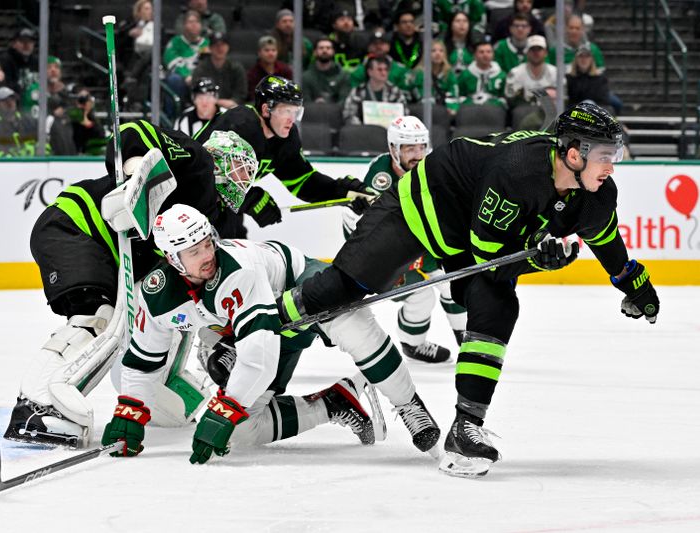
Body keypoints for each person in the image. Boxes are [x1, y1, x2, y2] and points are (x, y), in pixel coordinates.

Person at [277, 102, 661, 477]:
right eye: (606, 155)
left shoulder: (597, 193)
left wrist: (635, 284)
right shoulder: (517, 172)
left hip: (469, 231)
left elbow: (606, 239)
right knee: (345, 286)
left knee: (498, 305)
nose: (612, 167)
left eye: (615, 154)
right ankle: (266, 323)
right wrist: (536, 261)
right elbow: (489, 259)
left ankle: (465, 428)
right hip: (423, 206)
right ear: (575, 154)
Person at [102, 204, 440, 459]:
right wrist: (129, 409)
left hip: (298, 287)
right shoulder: (156, 294)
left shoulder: (236, 272)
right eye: (194, 251)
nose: (208, 255)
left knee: (350, 322)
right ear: (172, 259)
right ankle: (337, 402)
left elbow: (258, 358)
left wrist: (224, 407)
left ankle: (409, 404)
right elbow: (143, 359)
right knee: (242, 433)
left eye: (207, 243)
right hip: (254, 325)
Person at [2, 126, 258, 447]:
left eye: (250, 172)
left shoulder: (212, 220)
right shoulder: (198, 164)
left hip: (115, 257)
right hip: (78, 225)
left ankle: (168, 388)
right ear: (219, 158)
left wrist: (219, 337)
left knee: (166, 316)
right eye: (240, 167)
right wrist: (135, 169)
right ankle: (36, 405)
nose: (244, 178)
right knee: (97, 316)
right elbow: (133, 132)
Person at [342, 115, 467, 361]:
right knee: (422, 295)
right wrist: (356, 210)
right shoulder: (381, 175)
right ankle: (413, 344)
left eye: (421, 146)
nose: (418, 154)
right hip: (387, 259)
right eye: (410, 148)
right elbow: (370, 231)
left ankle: (467, 341)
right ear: (393, 149)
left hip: (422, 249)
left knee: (454, 283)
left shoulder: (430, 167)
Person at [195, 76, 376, 238]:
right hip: (192, 203)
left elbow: (303, 182)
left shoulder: (285, 139)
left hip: (227, 210)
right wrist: (251, 199)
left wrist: (341, 191)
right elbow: (202, 173)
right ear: (266, 110)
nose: (292, 119)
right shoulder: (239, 124)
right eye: (286, 111)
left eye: (296, 112)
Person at [342, 56, 408, 125]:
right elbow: (349, 114)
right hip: (365, 131)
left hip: (391, 131)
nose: (384, 73)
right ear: (370, 72)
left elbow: (405, 113)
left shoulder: (395, 91)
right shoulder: (358, 92)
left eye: (386, 70)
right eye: (380, 70)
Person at [191, 32, 246, 110]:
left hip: (231, 109)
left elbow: (241, 94)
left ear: (228, 47)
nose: (220, 48)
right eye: (216, 45)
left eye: (223, 45)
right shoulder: (201, 69)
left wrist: (233, 101)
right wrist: (215, 102)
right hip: (206, 108)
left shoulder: (236, 68)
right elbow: (196, 93)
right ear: (210, 48)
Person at [411, 41, 461, 117]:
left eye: (441, 51)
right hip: (423, 110)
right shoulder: (419, 73)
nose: (437, 54)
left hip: (444, 110)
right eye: (433, 51)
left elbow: (453, 92)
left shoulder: (449, 73)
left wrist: (451, 107)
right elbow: (418, 94)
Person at [301, 37, 352, 104]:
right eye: (321, 48)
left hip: (337, 112)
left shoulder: (344, 76)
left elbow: (344, 100)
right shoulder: (306, 77)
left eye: (328, 48)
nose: (324, 51)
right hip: (312, 112)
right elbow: (305, 101)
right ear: (315, 52)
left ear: (333, 52)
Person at [457, 41, 506, 108]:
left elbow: (504, 97)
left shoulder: (501, 75)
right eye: (481, 52)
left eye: (488, 52)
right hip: (470, 108)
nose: (485, 55)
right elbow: (459, 95)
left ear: (493, 54)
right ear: (475, 55)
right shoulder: (466, 75)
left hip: (494, 109)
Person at [246, 36, 293, 103]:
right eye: (267, 50)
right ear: (259, 53)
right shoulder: (252, 74)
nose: (271, 54)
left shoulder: (285, 70)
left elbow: (290, 93)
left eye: (273, 50)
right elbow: (253, 97)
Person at [566, 45, 610, 110]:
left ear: (592, 59)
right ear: (576, 59)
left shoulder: (600, 78)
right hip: (574, 113)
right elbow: (569, 101)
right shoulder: (569, 78)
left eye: (587, 56)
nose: (584, 59)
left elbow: (604, 101)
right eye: (581, 56)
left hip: (595, 113)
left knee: (589, 103)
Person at [0, 28, 38, 96]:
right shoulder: (6, 61)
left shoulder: (37, 61)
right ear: (14, 44)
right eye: (22, 41)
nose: (26, 45)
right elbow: (7, 85)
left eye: (30, 42)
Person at [443, 11, 474, 76]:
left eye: (465, 21)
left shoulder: (475, 46)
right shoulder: (442, 46)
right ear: (451, 25)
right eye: (458, 21)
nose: (462, 24)